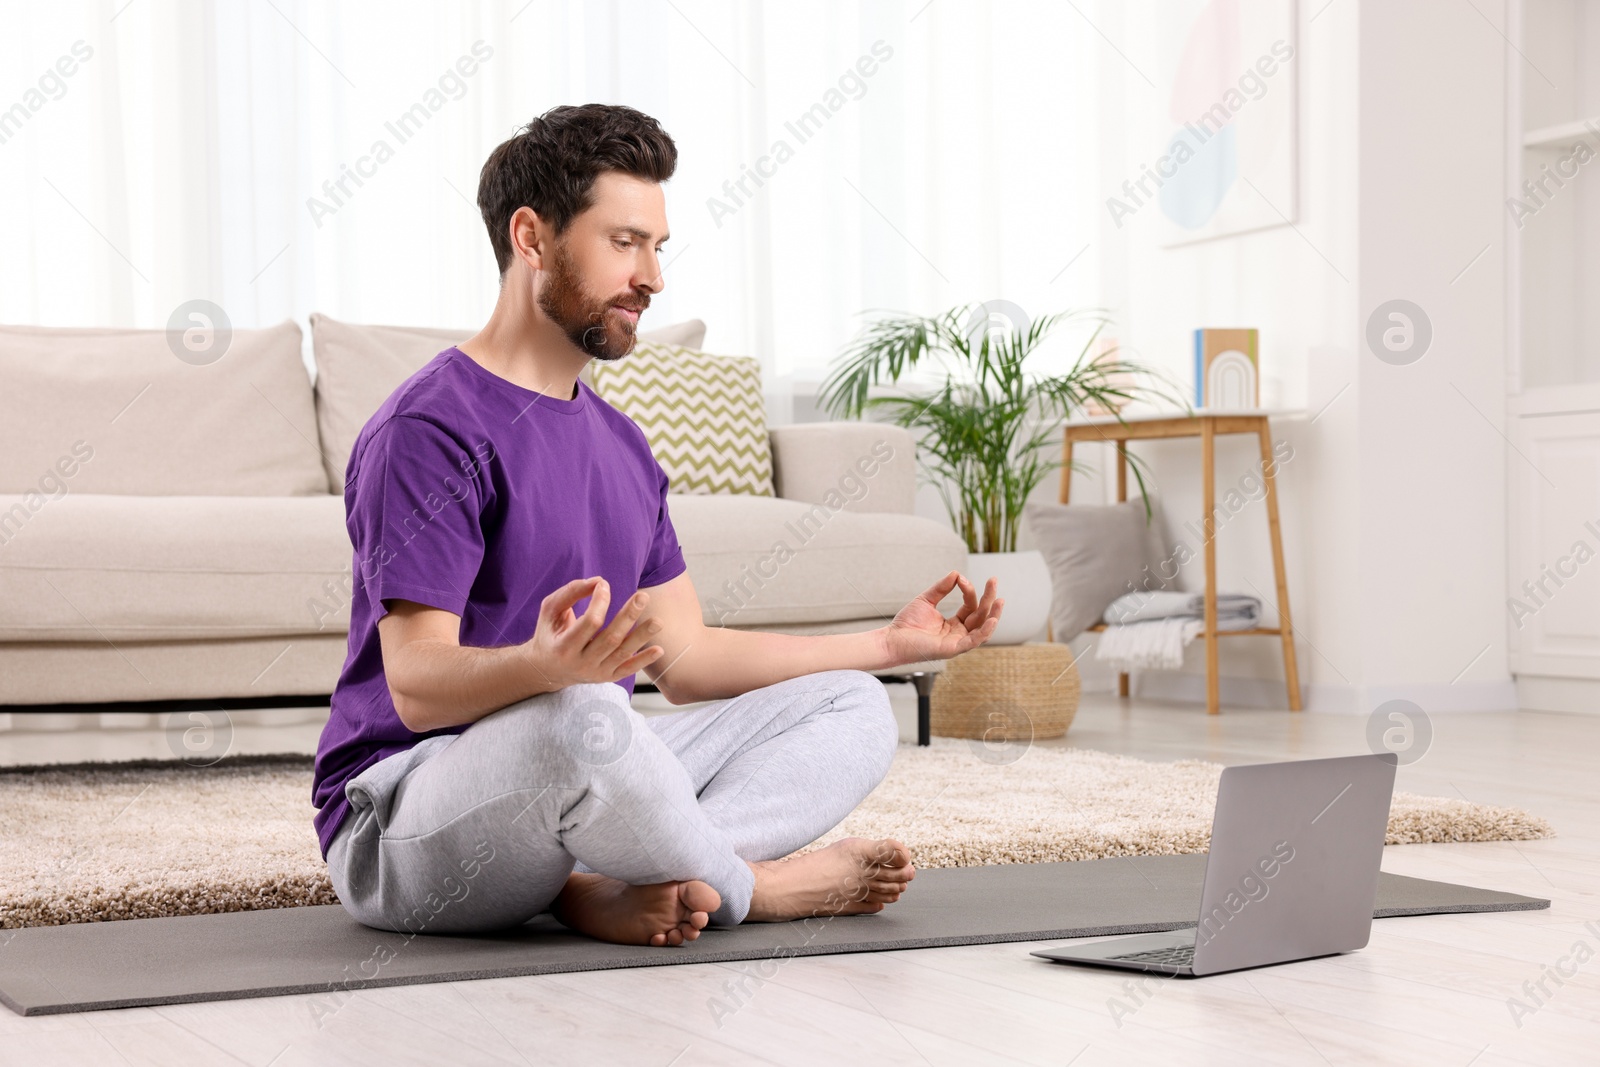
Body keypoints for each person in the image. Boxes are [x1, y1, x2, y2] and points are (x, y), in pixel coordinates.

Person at [313, 103, 1004, 948]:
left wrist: (887, 648)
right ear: (532, 238)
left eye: (658, 247)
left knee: (854, 706)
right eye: (624, 242)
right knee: (582, 717)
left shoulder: (622, 446)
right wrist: (540, 666)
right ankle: (757, 886)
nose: (652, 277)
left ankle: (602, 880)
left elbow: (687, 659)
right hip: (407, 815)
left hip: (583, 773)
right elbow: (415, 686)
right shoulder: (429, 428)